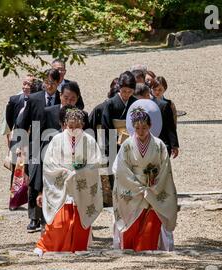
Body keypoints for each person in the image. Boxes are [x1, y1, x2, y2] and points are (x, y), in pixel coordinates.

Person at [34, 107, 103, 256]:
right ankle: (48, 246)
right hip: (63, 185)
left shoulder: (89, 140)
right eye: (70, 126)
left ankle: (77, 247)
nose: (73, 130)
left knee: (79, 221)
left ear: (82, 125)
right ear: (64, 124)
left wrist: (81, 172)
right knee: (59, 222)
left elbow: (95, 163)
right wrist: (65, 173)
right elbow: (49, 164)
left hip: (81, 185)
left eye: (77, 127)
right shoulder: (57, 140)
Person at [112, 109, 178, 251]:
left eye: (144, 128)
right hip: (133, 188)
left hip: (154, 187)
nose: (141, 131)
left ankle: (147, 249)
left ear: (150, 126)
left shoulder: (159, 145)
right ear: (132, 127)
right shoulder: (127, 145)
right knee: (132, 223)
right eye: (137, 128)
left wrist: (155, 186)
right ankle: (130, 250)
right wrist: (137, 186)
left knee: (151, 225)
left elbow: (165, 169)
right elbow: (121, 169)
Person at [17, 68, 61, 232]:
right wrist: (21, 147)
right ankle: (34, 217)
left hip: (54, 144)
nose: (49, 86)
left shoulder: (62, 98)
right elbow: (22, 123)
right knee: (34, 179)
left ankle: (49, 215)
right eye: (47, 82)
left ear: (58, 83)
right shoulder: (34, 99)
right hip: (35, 144)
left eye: (53, 83)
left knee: (51, 178)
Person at [101, 71, 137, 190]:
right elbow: (106, 127)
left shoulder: (136, 103)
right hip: (114, 144)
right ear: (119, 88)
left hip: (132, 142)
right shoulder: (110, 104)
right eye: (124, 91)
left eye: (130, 91)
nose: (127, 94)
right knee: (116, 175)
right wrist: (110, 147)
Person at [151, 79, 179, 158]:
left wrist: (174, 144)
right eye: (154, 89)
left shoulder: (169, 103)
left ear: (165, 89)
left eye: (160, 89)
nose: (157, 92)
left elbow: (172, 125)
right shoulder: (149, 102)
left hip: (165, 138)